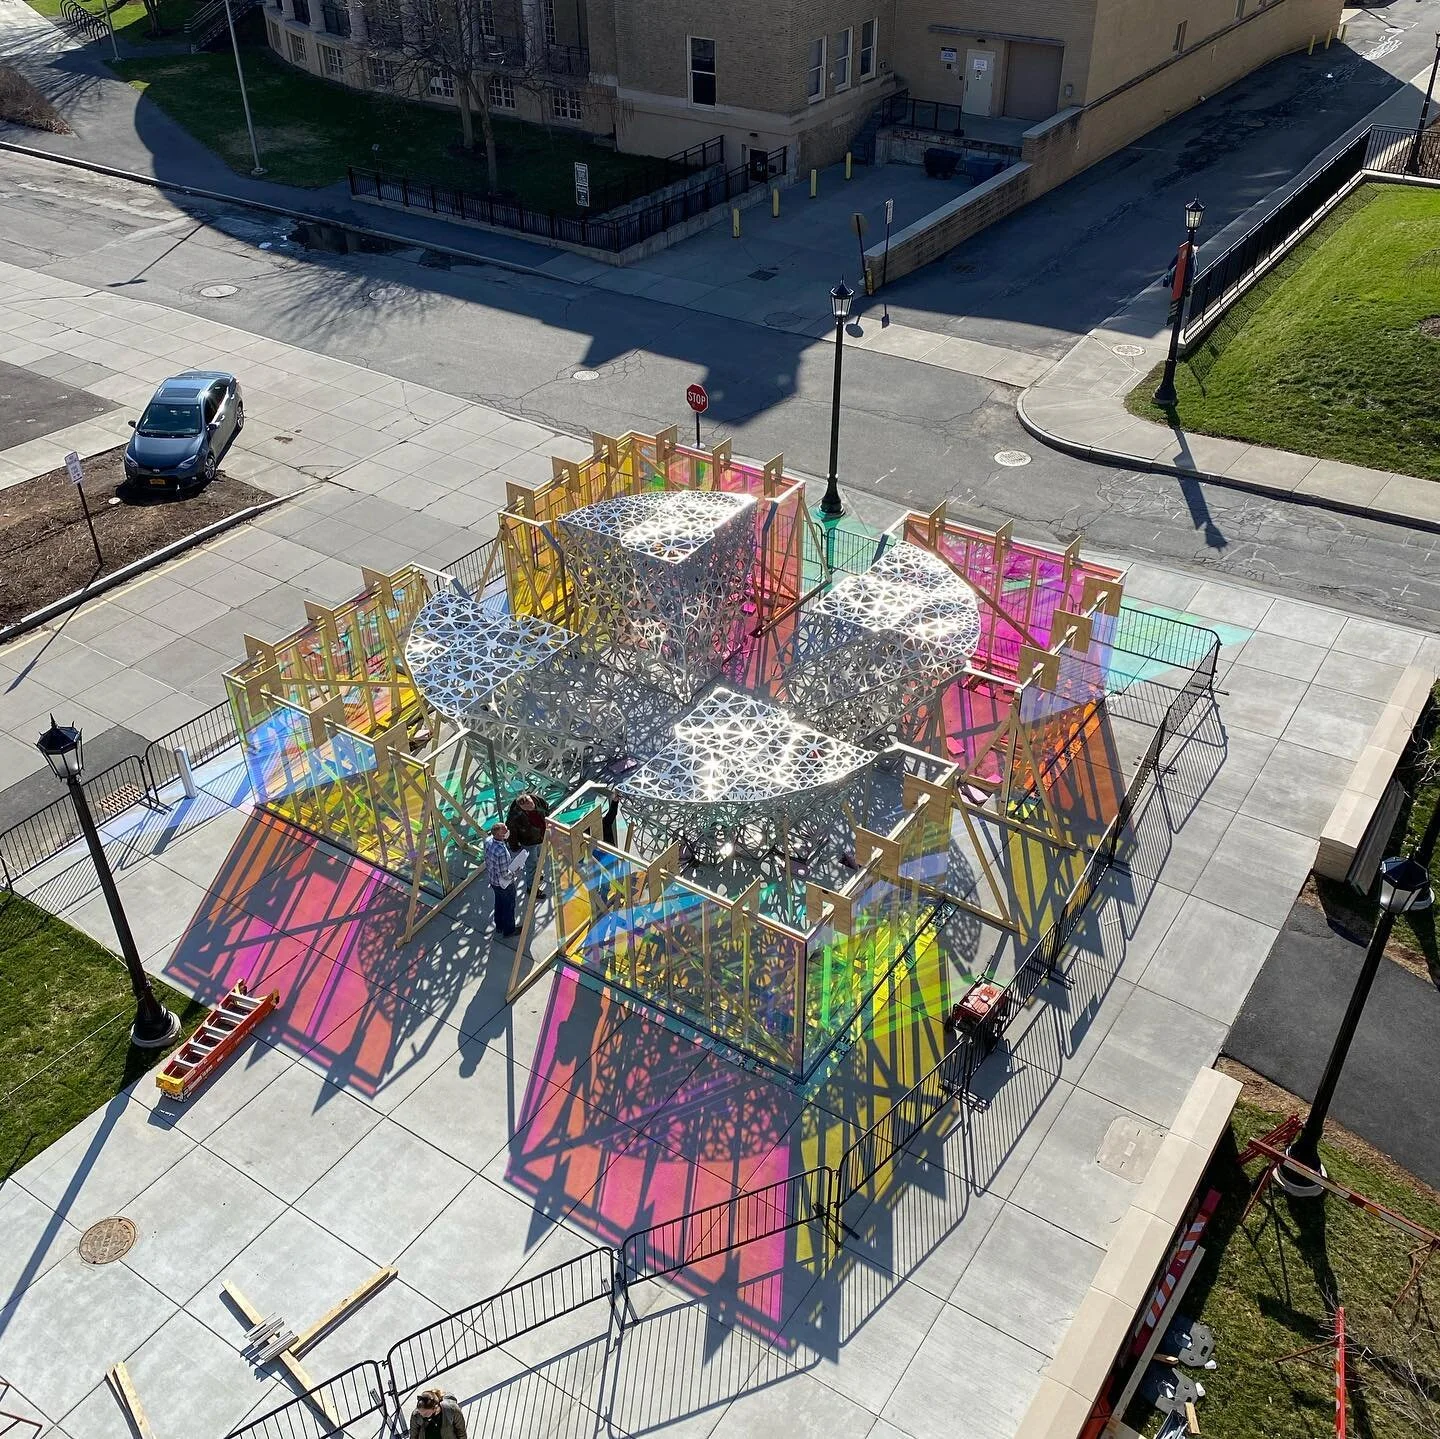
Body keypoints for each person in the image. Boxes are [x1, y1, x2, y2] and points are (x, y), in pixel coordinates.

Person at [506, 790, 551, 898]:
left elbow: (547, 809)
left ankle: (538, 875)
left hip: (541, 837)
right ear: (522, 807)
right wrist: (515, 847)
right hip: (529, 842)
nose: (532, 808)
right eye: (528, 808)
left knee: (540, 858)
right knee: (531, 865)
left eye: (532, 805)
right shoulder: (514, 816)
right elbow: (511, 833)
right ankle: (532, 889)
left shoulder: (538, 800)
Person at [485, 822, 524, 939]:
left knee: (499, 903)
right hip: (504, 884)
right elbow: (505, 874)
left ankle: (499, 925)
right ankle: (509, 930)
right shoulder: (501, 851)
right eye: (505, 831)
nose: (507, 831)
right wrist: (515, 872)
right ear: (499, 835)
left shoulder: (488, 841)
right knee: (509, 906)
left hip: (493, 880)